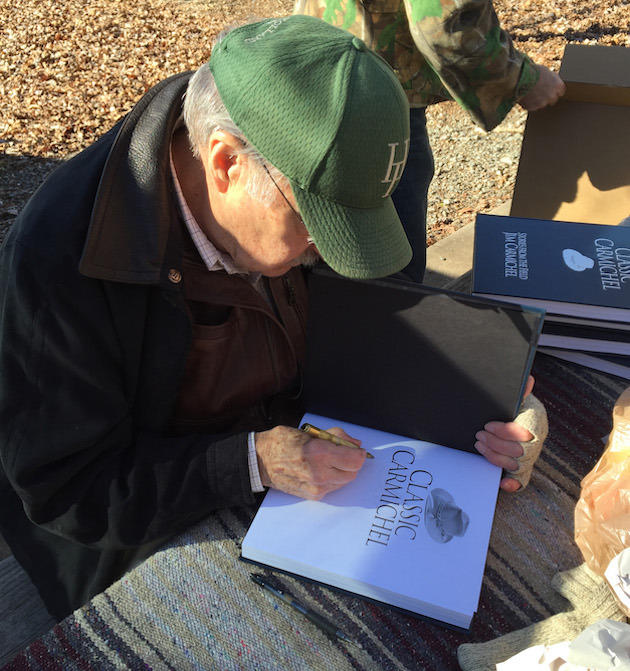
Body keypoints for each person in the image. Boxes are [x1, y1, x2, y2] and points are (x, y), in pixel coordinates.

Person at [0, 15, 546, 621]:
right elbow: (68, 492)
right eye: (317, 222)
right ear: (226, 164)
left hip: (305, 463)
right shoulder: (61, 264)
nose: (330, 251)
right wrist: (248, 462)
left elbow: (390, 319)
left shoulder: (297, 155)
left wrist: (489, 396)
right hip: (145, 524)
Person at [294, 0, 567, 282]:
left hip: (321, 63)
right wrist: (520, 78)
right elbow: (442, 21)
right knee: (388, 278)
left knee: (326, 251)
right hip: (373, 91)